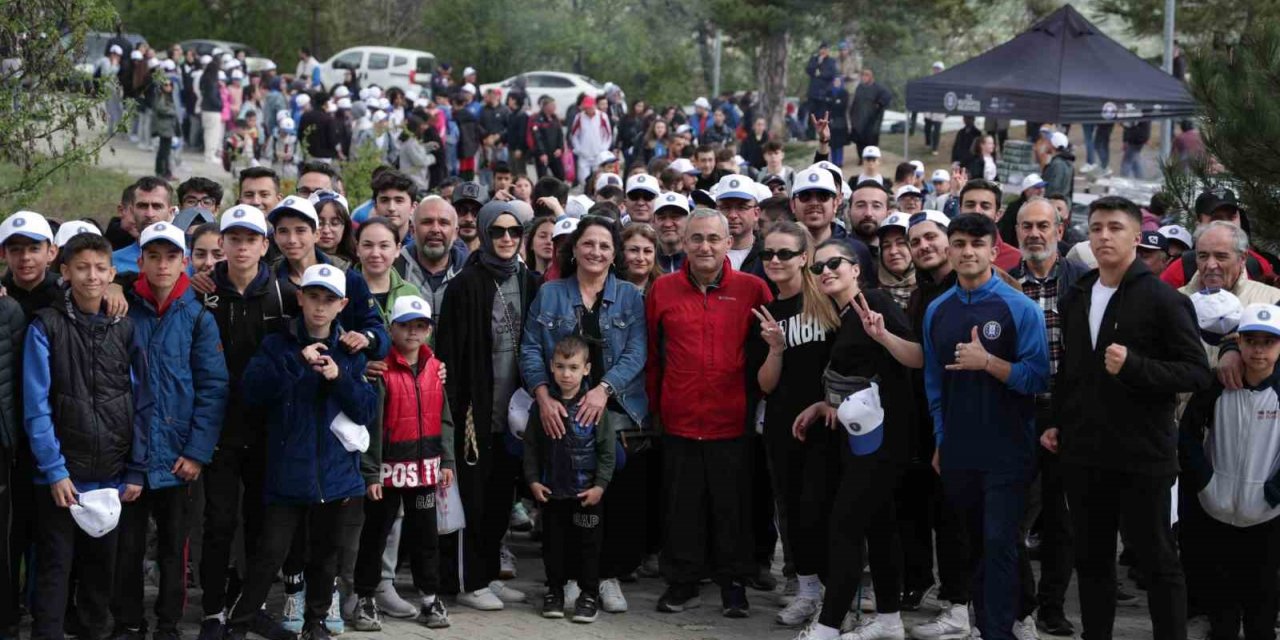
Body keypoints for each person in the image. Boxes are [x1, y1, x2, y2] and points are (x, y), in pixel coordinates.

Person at [1047, 196, 1212, 640]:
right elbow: (1071, 372)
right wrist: (1056, 420)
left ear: (1136, 238)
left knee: (1157, 561)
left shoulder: (1163, 299)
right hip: (1084, 455)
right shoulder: (1078, 295)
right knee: (1092, 561)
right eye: (1096, 227)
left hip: (1143, 456)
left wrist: (1136, 366)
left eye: (1115, 227)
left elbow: (1196, 371)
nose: (1104, 236)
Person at [223, 264, 378, 640]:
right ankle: (239, 624)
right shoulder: (278, 344)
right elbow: (252, 391)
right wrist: (297, 363)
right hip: (287, 474)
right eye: (313, 297)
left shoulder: (349, 351)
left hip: (336, 475)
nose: (320, 307)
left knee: (325, 558)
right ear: (300, 298)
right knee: (269, 555)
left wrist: (338, 377)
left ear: (342, 304)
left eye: (328, 300)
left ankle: (317, 622)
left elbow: (366, 411)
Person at [923, 213, 1051, 640]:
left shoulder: (1020, 308)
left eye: (977, 244)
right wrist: (941, 439)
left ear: (994, 251)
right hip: (959, 449)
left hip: (1008, 448)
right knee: (972, 545)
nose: (967, 252)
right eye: (959, 244)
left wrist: (990, 364)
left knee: (1000, 543)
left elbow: (1037, 378)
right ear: (949, 250)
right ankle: (986, 624)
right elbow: (934, 384)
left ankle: (999, 629)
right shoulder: (938, 311)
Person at [647, 208, 772, 617]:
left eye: (713, 239)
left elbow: (770, 349)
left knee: (732, 509)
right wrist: (656, 408)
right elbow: (652, 355)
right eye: (696, 238)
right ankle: (682, 583)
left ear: (728, 243)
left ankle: (734, 584)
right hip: (679, 419)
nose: (705, 246)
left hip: (732, 420)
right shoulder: (662, 290)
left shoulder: (753, 289)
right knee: (681, 507)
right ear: (683, 243)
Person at [24, 232, 149, 640]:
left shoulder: (125, 329)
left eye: (100, 268)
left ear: (112, 273)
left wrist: (135, 468)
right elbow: (37, 406)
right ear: (64, 271)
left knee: (101, 574)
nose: (91, 276)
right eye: (81, 268)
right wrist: (55, 470)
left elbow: (141, 400)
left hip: (111, 474)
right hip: (61, 476)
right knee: (55, 570)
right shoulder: (46, 327)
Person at [520, 216, 647, 615]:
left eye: (605, 246)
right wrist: (543, 396)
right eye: (588, 244)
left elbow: (636, 351)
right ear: (573, 249)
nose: (596, 252)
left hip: (616, 406)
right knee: (562, 497)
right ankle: (568, 579)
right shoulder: (550, 293)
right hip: (560, 404)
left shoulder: (628, 295)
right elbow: (529, 348)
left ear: (615, 254)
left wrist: (602, 389)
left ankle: (604, 576)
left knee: (610, 490)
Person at [112, 221, 228, 640]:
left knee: (173, 545)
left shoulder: (197, 316)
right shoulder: (122, 308)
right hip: (130, 452)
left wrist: (198, 451)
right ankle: (128, 620)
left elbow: (213, 388)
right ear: (139, 261)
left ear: (184, 262)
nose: (162, 265)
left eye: (171, 257)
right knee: (127, 544)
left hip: (179, 453)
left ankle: (168, 623)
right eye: (154, 257)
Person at [195, 204, 296, 640]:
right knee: (218, 523)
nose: (241, 247)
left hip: (267, 429)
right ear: (223, 244)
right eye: (233, 239)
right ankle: (213, 610)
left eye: (250, 239)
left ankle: (248, 609)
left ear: (264, 245)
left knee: (260, 523)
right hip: (216, 428)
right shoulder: (200, 292)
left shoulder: (284, 294)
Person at [435, 201, 540, 611]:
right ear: (482, 232)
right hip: (474, 411)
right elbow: (450, 354)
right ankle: (466, 581)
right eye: (498, 231)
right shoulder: (465, 284)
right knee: (472, 501)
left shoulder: (529, 279)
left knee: (499, 500)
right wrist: (456, 411)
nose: (507, 239)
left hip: (515, 414)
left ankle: (488, 574)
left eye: (514, 232)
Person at [1008, 199, 1089, 637]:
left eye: (1043, 225)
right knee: (1013, 513)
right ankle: (1021, 603)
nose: (1035, 233)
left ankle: (1052, 606)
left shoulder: (1082, 283)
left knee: (1061, 518)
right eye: (1026, 226)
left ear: (1060, 229)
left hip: (1066, 412)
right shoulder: (1004, 283)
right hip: (1016, 411)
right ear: (1016, 231)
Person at [352, 294, 455, 632]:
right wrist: (370, 473)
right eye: (405, 326)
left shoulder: (434, 369)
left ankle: (429, 597)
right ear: (391, 329)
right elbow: (371, 425)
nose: (413, 332)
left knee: (426, 535)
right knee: (376, 534)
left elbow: (445, 419)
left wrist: (446, 461)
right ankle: (365, 597)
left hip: (425, 470)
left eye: (420, 326)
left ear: (429, 330)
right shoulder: (381, 370)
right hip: (388, 471)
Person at [1180, 303, 1280, 640]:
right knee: (1221, 609)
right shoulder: (1216, 387)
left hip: (1267, 517)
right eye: (1251, 341)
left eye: (1269, 342)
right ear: (1238, 343)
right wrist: (1205, 482)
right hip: (1217, 511)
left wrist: (1274, 493)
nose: (1259, 350)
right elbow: (1187, 435)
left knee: (1262, 610)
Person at [525, 335, 617, 623]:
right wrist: (533, 481)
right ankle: (554, 591)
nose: (567, 373)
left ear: (586, 369)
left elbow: (607, 452)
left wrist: (599, 486)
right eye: (561, 366)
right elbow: (530, 447)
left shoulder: (596, 408)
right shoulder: (541, 407)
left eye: (574, 367)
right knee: (554, 546)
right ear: (551, 367)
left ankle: (589, 594)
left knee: (588, 547)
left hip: (586, 495)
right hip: (553, 493)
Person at [268, 195, 390, 361]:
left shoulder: (347, 277)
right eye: (283, 231)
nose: (292, 240)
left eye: (300, 230)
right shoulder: (268, 281)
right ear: (274, 236)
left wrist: (366, 339)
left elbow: (377, 330)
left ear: (316, 234)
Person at [1162, 189, 1276, 289]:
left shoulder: (1258, 264)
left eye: (1231, 217)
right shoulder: (1182, 268)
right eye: (1217, 219)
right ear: (1199, 223)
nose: (1226, 224)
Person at [395, 196, 468, 314]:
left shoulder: (470, 273)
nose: (435, 229)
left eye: (444, 223)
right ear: (413, 230)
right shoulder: (395, 271)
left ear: (455, 233)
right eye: (427, 222)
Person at [356, 218, 423, 322]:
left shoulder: (410, 292)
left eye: (384, 246)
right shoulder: (344, 290)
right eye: (368, 245)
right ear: (357, 249)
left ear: (397, 249)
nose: (375, 253)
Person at [113, 176, 177, 274]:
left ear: (171, 212)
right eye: (142, 206)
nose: (149, 214)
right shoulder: (112, 262)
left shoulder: (189, 260)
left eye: (157, 206)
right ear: (132, 211)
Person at [955, 180, 1021, 272]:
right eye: (970, 205)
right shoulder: (949, 255)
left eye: (985, 206)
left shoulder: (1017, 260)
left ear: (998, 214)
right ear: (960, 210)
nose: (977, 211)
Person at [715, 175, 763, 273]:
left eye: (742, 207)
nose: (733, 215)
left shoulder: (768, 255)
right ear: (716, 211)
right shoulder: (704, 254)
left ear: (756, 213)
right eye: (725, 207)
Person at [849, 69, 892, 158]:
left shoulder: (878, 88)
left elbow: (887, 96)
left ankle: (872, 157)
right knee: (859, 140)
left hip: (872, 120)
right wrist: (852, 114)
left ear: (871, 77)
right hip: (860, 119)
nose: (864, 78)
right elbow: (855, 102)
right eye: (863, 76)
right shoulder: (860, 87)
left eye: (866, 76)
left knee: (871, 139)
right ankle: (861, 158)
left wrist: (879, 104)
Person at [878, 214, 917, 309]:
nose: (893, 251)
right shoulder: (874, 298)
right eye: (886, 246)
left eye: (901, 243)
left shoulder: (932, 289)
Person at [312, 190, 357, 265]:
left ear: (345, 227)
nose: (326, 230)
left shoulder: (358, 263)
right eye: (319, 223)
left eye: (335, 223)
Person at [805, 43, 838, 138]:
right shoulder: (814, 59)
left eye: (825, 49)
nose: (823, 51)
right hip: (813, 92)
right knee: (812, 114)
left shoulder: (831, 61)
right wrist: (818, 63)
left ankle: (824, 134)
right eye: (822, 49)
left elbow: (831, 74)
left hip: (824, 93)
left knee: (824, 115)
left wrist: (819, 74)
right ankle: (810, 135)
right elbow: (809, 70)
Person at [849, 180, 890, 255]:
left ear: (888, 214)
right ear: (849, 212)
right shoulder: (833, 251)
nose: (868, 213)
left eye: (876, 206)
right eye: (861, 205)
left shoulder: (896, 256)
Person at [654, 192, 690, 273]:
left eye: (675, 217)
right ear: (654, 222)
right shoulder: (647, 261)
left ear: (688, 221)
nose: (668, 224)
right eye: (662, 218)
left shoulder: (698, 259)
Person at [531, 96, 566, 180]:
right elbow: (537, 137)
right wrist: (541, 152)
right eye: (552, 105)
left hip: (555, 153)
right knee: (543, 178)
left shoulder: (555, 118)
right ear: (545, 107)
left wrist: (560, 148)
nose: (554, 107)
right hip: (543, 154)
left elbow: (560, 135)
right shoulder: (537, 119)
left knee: (560, 175)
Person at [621, 223, 661, 293]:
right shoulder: (606, 287)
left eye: (647, 251)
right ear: (622, 251)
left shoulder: (666, 288)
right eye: (633, 250)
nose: (640, 258)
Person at [1041, 132, 1075, 205]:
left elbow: (1053, 189)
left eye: (1048, 142)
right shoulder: (1067, 163)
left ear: (1053, 144)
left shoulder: (1057, 165)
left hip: (1054, 206)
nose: (1046, 144)